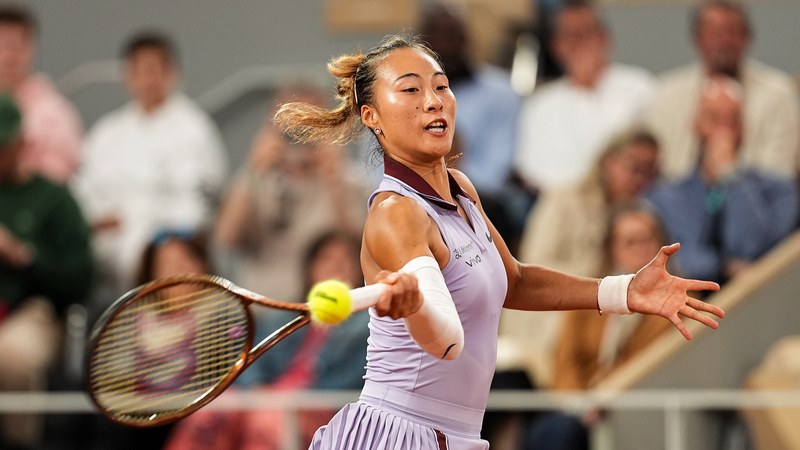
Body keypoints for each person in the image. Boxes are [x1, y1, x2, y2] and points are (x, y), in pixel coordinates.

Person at [274, 34, 724, 450]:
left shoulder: (462, 190)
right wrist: (416, 309)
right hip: (399, 434)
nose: (433, 102)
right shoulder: (395, 214)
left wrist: (624, 291)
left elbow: (516, 281)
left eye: (441, 86)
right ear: (371, 116)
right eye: (410, 90)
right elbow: (447, 341)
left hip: (456, 434)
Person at [163, 231, 371, 450]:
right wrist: (258, 389)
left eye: (346, 259)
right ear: (310, 268)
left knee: (267, 420)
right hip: (269, 403)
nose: (336, 266)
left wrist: (286, 400)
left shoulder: (369, 325)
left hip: (319, 410)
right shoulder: (284, 318)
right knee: (211, 411)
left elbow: (350, 384)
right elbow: (251, 363)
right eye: (326, 258)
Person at [498, 127, 659, 390]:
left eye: (652, 172)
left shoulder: (640, 215)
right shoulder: (565, 199)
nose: (643, 180)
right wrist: (601, 275)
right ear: (608, 161)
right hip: (547, 316)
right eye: (636, 168)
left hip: (600, 314)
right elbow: (533, 264)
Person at [74, 31, 228, 296]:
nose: (148, 79)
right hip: (111, 253)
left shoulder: (194, 128)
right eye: (140, 70)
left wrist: (159, 237)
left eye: (155, 70)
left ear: (173, 73)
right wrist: (98, 218)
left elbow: (202, 199)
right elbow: (84, 188)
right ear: (127, 76)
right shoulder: (108, 132)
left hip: (167, 249)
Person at [215, 83, 368, 303]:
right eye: (291, 123)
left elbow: (360, 248)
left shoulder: (348, 180)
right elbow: (227, 239)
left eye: (311, 122)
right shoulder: (254, 179)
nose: (300, 135)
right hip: (264, 305)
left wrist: (335, 182)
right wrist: (253, 169)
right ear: (272, 125)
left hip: (325, 311)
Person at [0, 94, 91, 448]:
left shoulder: (55, 199)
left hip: (34, 310)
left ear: (21, 143)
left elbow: (78, 277)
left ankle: (20, 443)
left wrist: (22, 255)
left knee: (13, 357)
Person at [647, 76, 798, 284]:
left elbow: (752, 249)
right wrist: (723, 268)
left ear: (744, 128)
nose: (723, 131)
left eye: (732, 121)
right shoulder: (664, 198)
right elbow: (680, 262)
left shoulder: (779, 192)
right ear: (696, 124)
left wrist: (731, 176)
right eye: (713, 118)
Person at [646, 0, 800, 180]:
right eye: (713, 32)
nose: (723, 41)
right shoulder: (666, 93)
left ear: (747, 38)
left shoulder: (778, 92)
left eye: (732, 32)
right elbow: (662, 167)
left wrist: (728, 174)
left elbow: (778, 174)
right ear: (696, 39)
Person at [515, 1, 654, 193]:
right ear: (555, 46)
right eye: (570, 35)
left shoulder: (641, 87)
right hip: (559, 203)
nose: (580, 43)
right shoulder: (540, 103)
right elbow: (532, 171)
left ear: (607, 38)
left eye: (587, 32)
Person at [0, 4, 83, 184]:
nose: (8, 57)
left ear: (31, 50)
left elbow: (60, 175)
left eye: (15, 47)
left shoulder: (56, 113)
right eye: (2, 45)